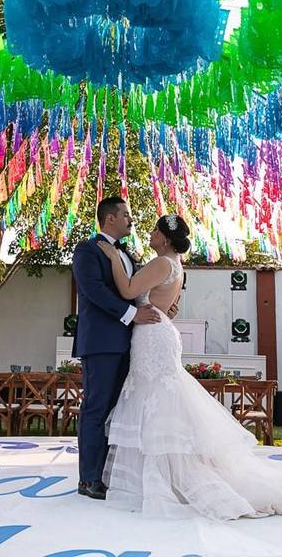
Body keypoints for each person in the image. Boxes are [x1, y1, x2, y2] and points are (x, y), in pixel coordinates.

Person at [96, 214, 282, 520]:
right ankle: (163, 477)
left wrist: (112, 255)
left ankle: (173, 480)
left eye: (154, 231)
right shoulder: (175, 266)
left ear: (164, 238)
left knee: (156, 402)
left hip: (152, 336)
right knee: (159, 402)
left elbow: (127, 291)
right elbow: (162, 303)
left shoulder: (163, 263)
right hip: (157, 330)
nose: (149, 234)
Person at [71, 196, 177, 500]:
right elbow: (94, 290)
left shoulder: (128, 253)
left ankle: (108, 473)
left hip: (132, 342)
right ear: (110, 219)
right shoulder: (87, 250)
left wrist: (159, 306)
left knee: (118, 411)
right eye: (127, 215)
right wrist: (132, 314)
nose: (132, 219)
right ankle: (88, 478)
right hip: (102, 342)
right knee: (96, 407)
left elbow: (136, 290)